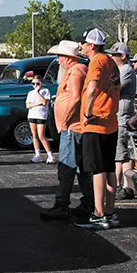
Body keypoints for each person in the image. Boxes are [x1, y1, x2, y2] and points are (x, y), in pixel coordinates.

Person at [39, 40, 96, 221]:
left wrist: (64, 120)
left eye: (60, 56)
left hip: (72, 128)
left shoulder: (76, 71)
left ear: (68, 58)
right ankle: (87, 203)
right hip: (73, 127)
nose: (57, 60)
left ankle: (62, 205)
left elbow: (75, 97)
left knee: (67, 167)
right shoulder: (76, 70)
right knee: (79, 168)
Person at [76, 28, 122, 231]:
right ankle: (110, 212)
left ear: (91, 45)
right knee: (109, 168)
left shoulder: (96, 61)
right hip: (110, 122)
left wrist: (87, 112)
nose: (82, 46)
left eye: (84, 43)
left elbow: (93, 87)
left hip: (96, 123)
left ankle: (98, 213)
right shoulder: (111, 62)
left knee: (97, 169)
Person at [110, 43, 137, 200]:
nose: (112, 57)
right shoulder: (120, 70)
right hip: (118, 115)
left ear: (123, 56)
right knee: (121, 153)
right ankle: (124, 186)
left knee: (121, 154)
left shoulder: (126, 70)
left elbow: (114, 89)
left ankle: (120, 186)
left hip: (122, 116)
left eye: (115, 55)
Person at [25, 76, 54, 163]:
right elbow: (28, 105)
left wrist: (38, 92)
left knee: (41, 136)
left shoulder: (45, 91)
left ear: (41, 83)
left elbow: (44, 102)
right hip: (32, 115)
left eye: (37, 83)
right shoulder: (30, 93)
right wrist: (38, 103)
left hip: (41, 116)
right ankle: (37, 154)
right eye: (33, 83)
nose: (35, 85)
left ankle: (50, 155)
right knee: (34, 135)